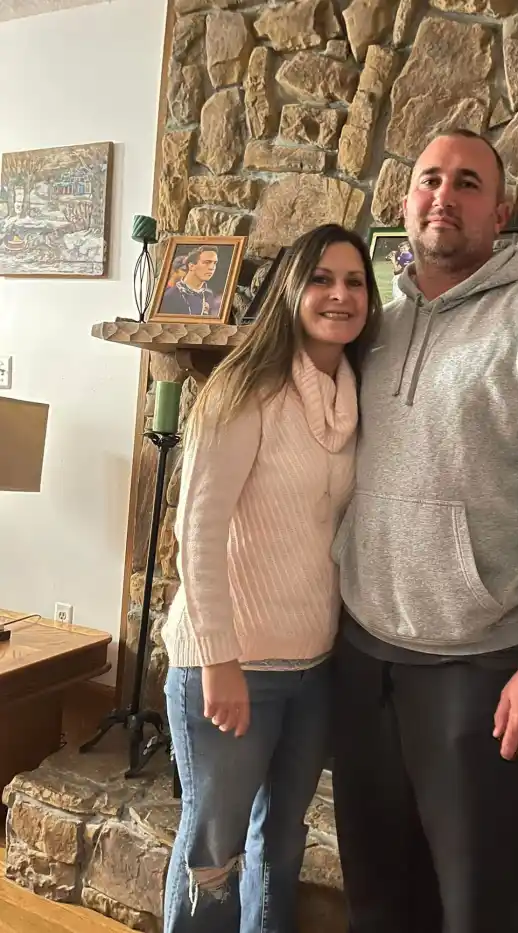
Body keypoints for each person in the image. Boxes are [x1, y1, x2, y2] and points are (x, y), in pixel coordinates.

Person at [331, 129, 518, 933]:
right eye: (430, 179)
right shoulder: (372, 330)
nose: (444, 195)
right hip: (362, 666)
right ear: (405, 203)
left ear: (500, 214)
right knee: (378, 910)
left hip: (485, 675)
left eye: (467, 183)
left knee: (480, 915)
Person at [160, 224, 382, 933]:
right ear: (290, 288)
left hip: (314, 666)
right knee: (213, 852)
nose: (340, 295)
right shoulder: (243, 390)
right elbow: (197, 531)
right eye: (321, 278)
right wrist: (218, 657)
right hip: (233, 666)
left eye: (355, 281)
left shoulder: (354, 397)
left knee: (280, 845)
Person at [161, 246, 219, 317]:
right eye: (206, 262)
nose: (212, 267)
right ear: (191, 266)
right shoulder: (170, 296)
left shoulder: (208, 294)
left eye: (214, 263)